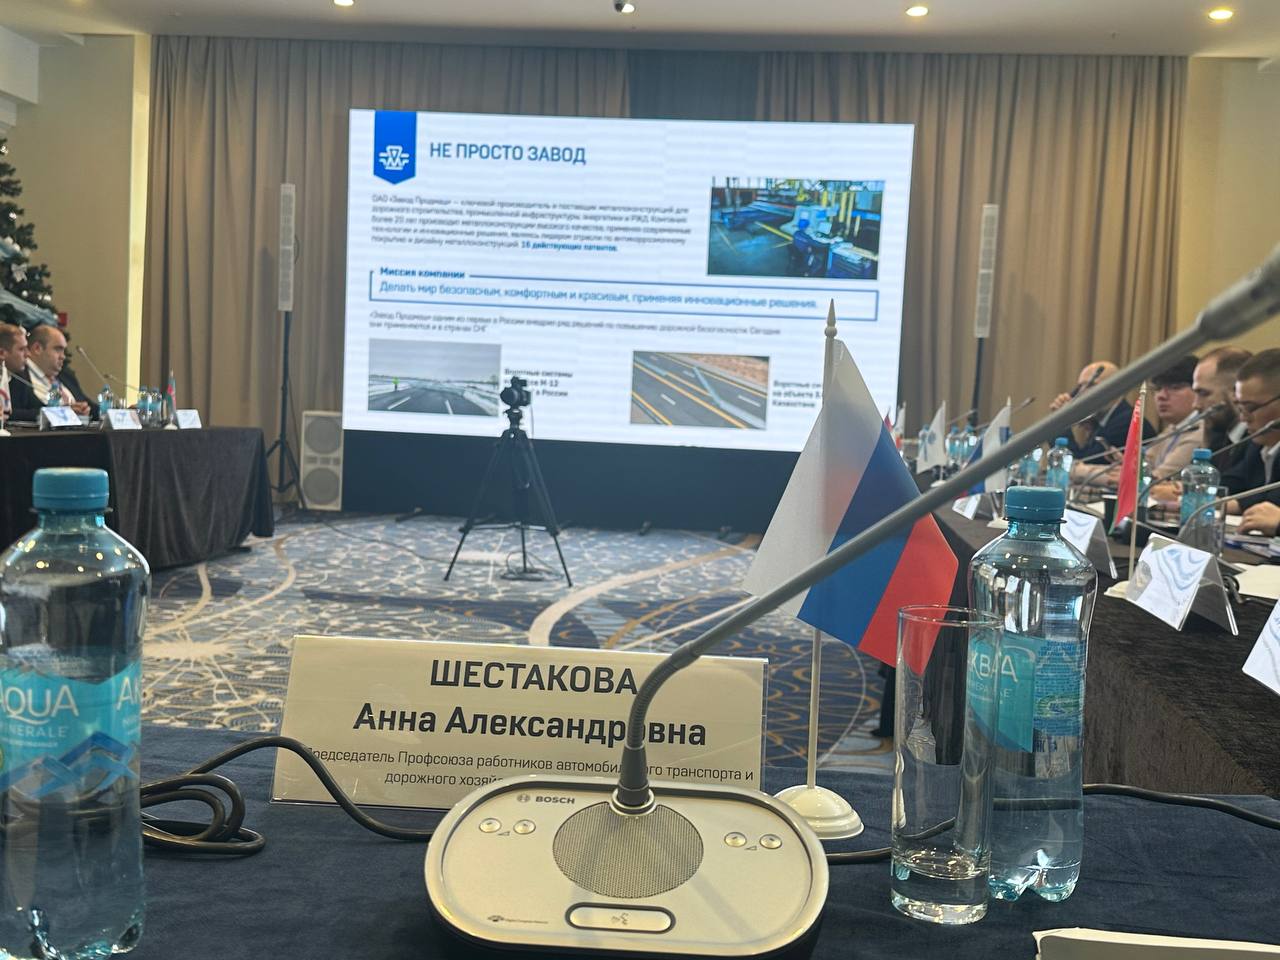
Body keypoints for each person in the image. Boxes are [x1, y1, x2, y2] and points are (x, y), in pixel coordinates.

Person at [1221, 348, 1280, 535]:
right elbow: (1235, 483)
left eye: (1251, 407)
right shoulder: (1258, 445)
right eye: (1240, 408)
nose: (1243, 418)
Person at [1051, 360, 1152, 461]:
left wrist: (1061, 421)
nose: (1081, 393)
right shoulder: (1102, 421)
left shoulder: (1127, 422)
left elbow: (1080, 463)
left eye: (1091, 386)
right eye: (1079, 387)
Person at [1144, 355, 1203, 478]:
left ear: (1197, 390)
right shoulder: (1172, 428)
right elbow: (1143, 465)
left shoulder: (1201, 431)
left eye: (1174, 387)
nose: (1161, 396)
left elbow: (1158, 477)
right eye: (1158, 388)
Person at [1193, 346, 1252, 465]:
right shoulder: (1220, 437)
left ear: (1235, 392)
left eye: (1204, 393)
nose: (1195, 405)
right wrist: (1206, 444)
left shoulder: (1256, 441)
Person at [26, 323, 91, 417]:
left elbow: (88, 405)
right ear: (37, 348)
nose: (63, 356)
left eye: (63, 351)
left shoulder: (66, 375)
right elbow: (13, 413)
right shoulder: (19, 376)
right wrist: (61, 412)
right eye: (58, 349)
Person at [0, 322, 42, 421]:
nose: (28, 354)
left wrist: (65, 410)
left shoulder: (19, 377)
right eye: (22, 349)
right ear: (1, 353)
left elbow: (38, 408)